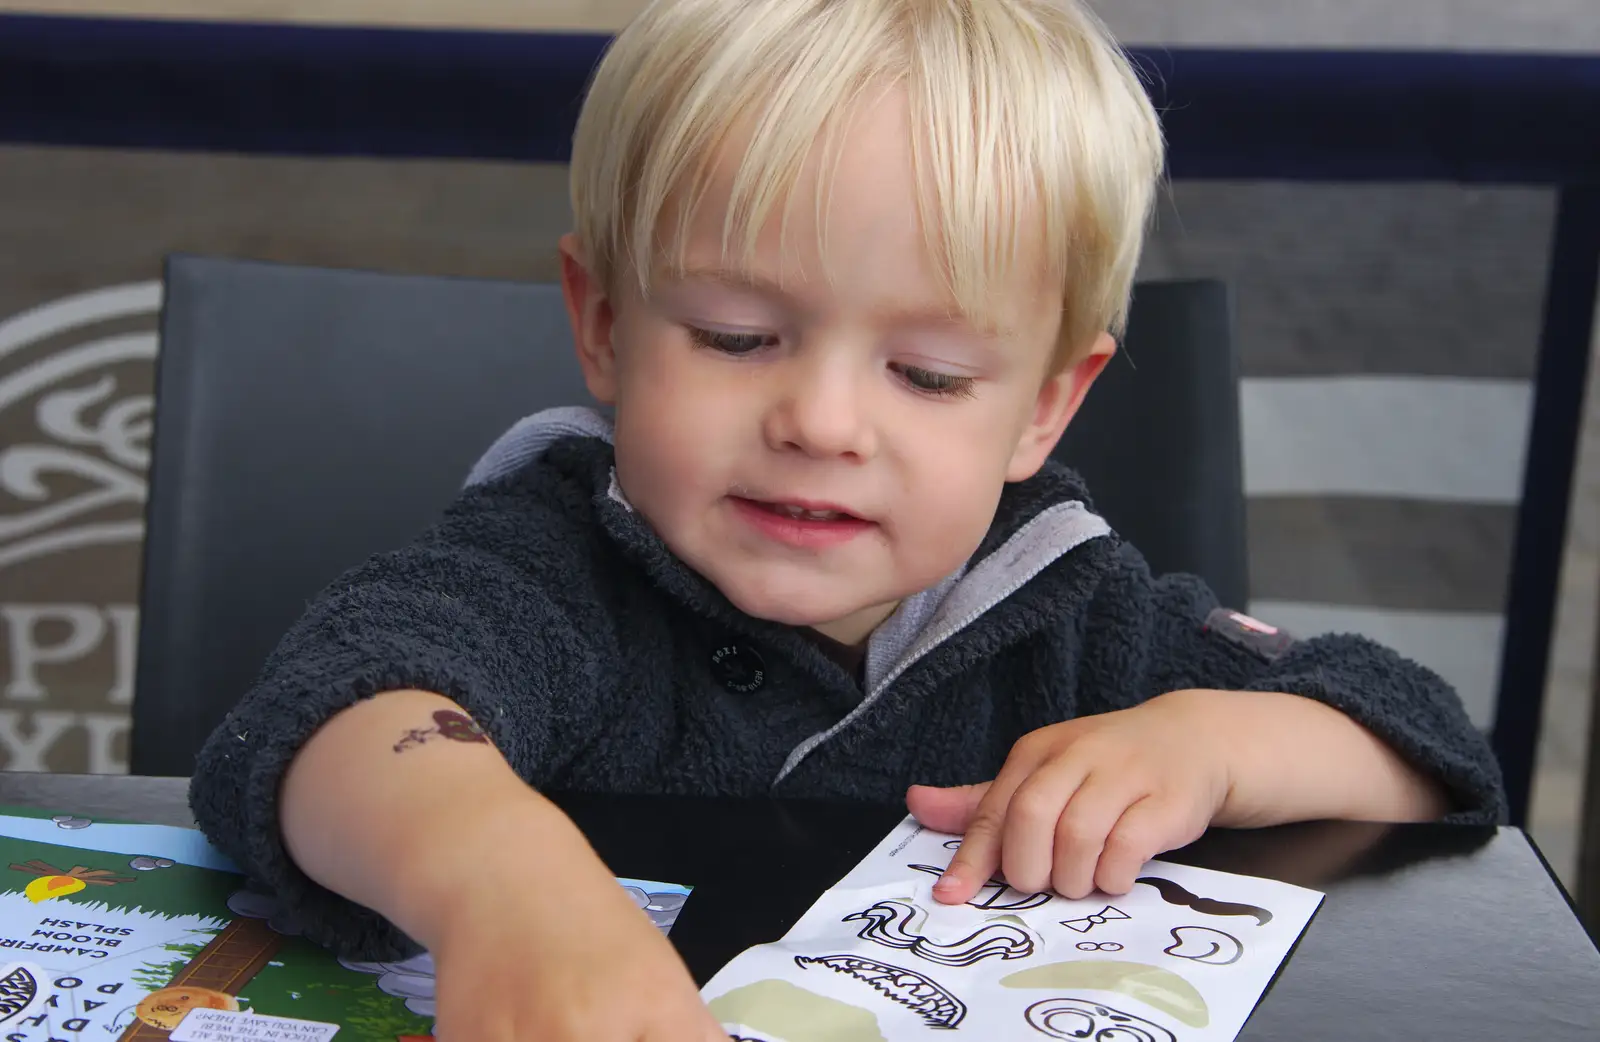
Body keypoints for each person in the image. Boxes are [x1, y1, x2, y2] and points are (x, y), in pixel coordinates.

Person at [189, 0, 1506, 1038]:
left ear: (1048, 405)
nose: (822, 420)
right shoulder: (548, 559)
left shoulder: (1071, 610)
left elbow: (1428, 750)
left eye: (927, 374)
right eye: (737, 336)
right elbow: (334, 708)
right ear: (602, 324)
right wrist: (498, 879)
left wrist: (1212, 740)